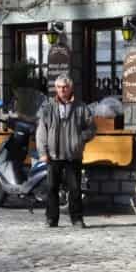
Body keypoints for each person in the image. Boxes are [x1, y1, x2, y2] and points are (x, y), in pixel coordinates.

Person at [35, 74, 96, 229]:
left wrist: (80, 138)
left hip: (72, 155)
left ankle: (77, 219)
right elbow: (41, 132)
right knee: (51, 188)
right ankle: (51, 219)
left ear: (71, 88)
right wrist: (42, 152)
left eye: (65, 87)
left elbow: (92, 128)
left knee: (75, 189)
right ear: (56, 88)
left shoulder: (81, 107)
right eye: (60, 87)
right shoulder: (47, 107)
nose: (62, 89)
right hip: (53, 155)